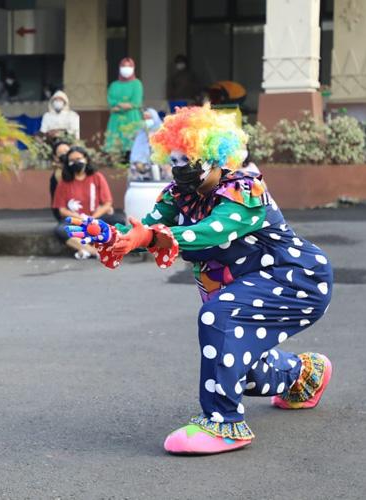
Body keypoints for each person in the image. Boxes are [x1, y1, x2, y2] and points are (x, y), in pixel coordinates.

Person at [73, 105, 333, 455]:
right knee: (245, 366)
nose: (178, 167)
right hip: (242, 286)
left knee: (219, 318)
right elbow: (143, 230)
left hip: (294, 279)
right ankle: (305, 375)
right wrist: (108, 234)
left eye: (187, 158)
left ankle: (223, 423)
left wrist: (150, 237)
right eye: (175, 159)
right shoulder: (178, 196)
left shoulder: (245, 191)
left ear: (215, 156)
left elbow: (211, 232)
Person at [52, 146, 118, 259]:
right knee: (61, 230)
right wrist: (79, 218)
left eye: (78, 159)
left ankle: (84, 250)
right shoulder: (64, 183)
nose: (75, 163)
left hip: (96, 219)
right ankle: (93, 251)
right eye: (71, 161)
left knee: (118, 221)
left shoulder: (97, 177)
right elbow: (62, 210)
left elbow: (107, 203)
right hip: (76, 222)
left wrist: (92, 218)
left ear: (86, 159)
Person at [105, 57, 144, 153]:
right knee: (115, 147)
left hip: (131, 118)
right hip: (116, 119)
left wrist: (118, 106)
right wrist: (123, 105)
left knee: (132, 145)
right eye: (123, 66)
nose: (126, 69)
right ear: (119, 68)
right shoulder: (114, 85)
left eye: (129, 66)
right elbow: (111, 100)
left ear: (133, 68)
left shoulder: (137, 84)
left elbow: (135, 102)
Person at [128, 108, 165, 181]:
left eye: (148, 117)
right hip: (139, 164)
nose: (146, 119)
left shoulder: (161, 130)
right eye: (144, 117)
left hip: (158, 164)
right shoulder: (140, 132)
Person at [48, 140, 71, 221]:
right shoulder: (57, 176)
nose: (64, 154)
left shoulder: (83, 170)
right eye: (60, 153)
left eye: (66, 151)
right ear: (55, 157)